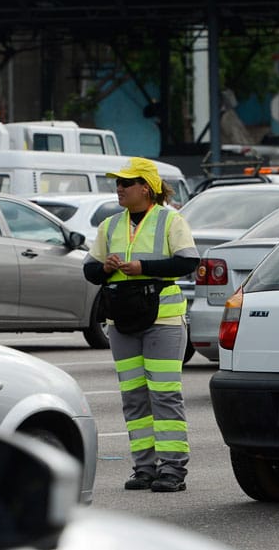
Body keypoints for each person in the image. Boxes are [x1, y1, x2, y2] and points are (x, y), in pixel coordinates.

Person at [84, 157, 199, 493]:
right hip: (122, 320)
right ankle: (144, 468)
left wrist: (142, 266)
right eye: (117, 184)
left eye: (126, 183)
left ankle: (173, 470)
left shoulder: (170, 220)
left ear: (145, 188)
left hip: (162, 319)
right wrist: (105, 267)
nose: (118, 189)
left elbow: (188, 260)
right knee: (134, 397)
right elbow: (89, 272)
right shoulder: (110, 225)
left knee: (164, 395)